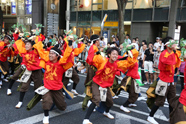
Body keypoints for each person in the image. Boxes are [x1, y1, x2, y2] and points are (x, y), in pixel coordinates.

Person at [83, 47, 136, 124]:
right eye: (113, 54)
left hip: (106, 85)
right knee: (96, 99)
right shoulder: (103, 61)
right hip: (97, 83)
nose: (115, 55)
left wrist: (130, 56)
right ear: (109, 55)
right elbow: (91, 60)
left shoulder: (116, 64)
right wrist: (97, 54)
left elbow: (128, 63)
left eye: (116, 54)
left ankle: (106, 112)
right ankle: (86, 119)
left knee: (110, 102)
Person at [33, 39, 74, 124]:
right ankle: (46, 116)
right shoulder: (46, 62)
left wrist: (70, 43)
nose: (50, 55)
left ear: (57, 56)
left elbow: (67, 56)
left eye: (52, 53)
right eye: (50, 53)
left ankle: (56, 102)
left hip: (57, 88)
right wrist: (36, 41)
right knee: (46, 101)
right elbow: (40, 51)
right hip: (47, 87)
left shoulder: (61, 64)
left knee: (62, 107)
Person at [147, 37, 181, 124]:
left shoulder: (173, 53)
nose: (175, 44)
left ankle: (171, 117)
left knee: (172, 101)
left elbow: (177, 63)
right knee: (160, 100)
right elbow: (167, 61)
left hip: (171, 81)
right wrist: (174, 52)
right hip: (164, 81)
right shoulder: (164, 53)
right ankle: (150, 116)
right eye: (173, 43)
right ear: (167, 45)